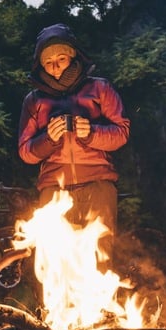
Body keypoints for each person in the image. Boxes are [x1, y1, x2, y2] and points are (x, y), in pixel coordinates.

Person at [17, 23, 130, 267]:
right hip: (54, 189)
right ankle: (58, 307)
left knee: (100, 258)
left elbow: (121, 133)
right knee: (57, 263)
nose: (55, 66)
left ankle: (100, 306)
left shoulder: (99, 88)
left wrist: (91, 132)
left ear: (73, 57)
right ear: (40, 65)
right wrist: (48, 139)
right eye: (48, 62)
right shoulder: (34, 100)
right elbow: (25, 151)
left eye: (61, 58)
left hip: (98, 184)